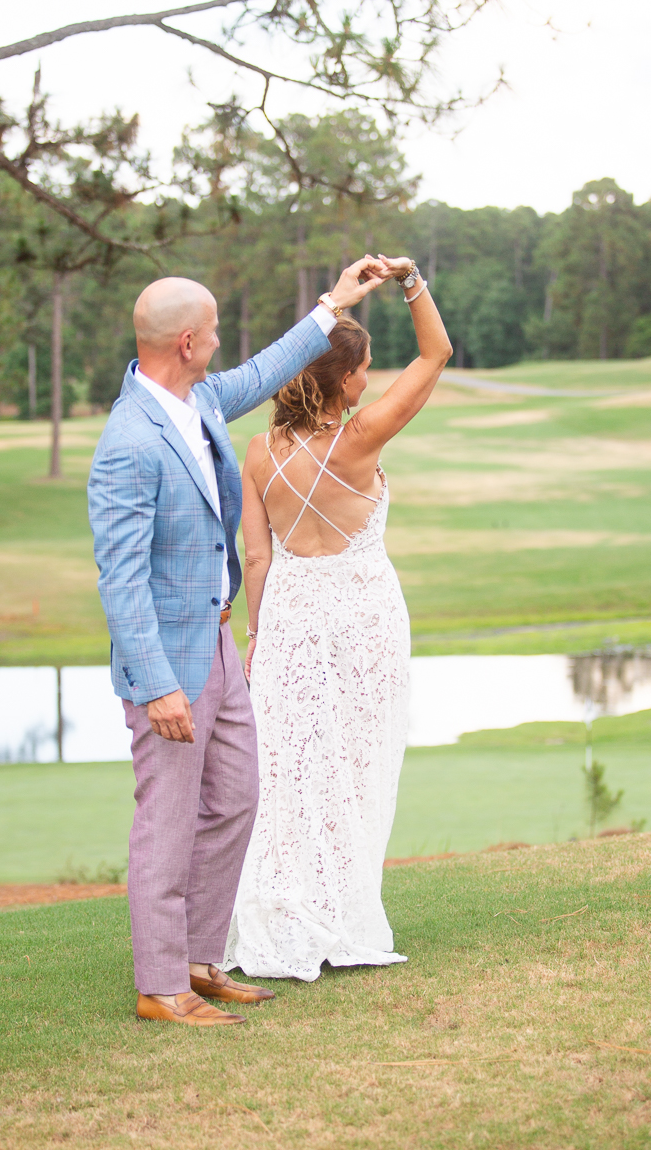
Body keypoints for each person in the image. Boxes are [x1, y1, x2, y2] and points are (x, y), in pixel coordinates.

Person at [87, 262, 388, 1026]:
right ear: (187, 342)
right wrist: (156, 685)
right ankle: (161, 988)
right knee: (167, 819)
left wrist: (334, 304)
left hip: (220, 648)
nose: (222, 344)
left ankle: (196, 959)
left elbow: (266, 369)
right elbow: (120, 580)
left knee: (237, 801)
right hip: (170, 671)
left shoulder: (202, 401)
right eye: (214, 332)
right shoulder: (128, 441)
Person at [223, 254, 453, 982]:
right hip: (363, 620)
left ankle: (291, 915)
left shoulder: (257, 454)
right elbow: (437, 353)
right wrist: (412, 281)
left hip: (289, 623)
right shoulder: (362, 440)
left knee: (292, 773)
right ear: (341, 381)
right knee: (356, 765)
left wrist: (256, 638)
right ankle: (343, 914)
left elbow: (256, 561)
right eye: (362, 372)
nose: (369, 381)